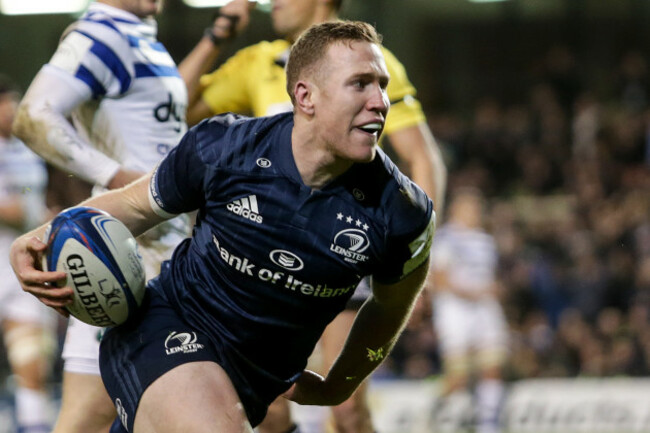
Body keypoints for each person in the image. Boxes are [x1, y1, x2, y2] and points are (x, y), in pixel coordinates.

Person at [10, 20, 435, 433]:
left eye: (381, 85)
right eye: (361, 84)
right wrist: (40, 237)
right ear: (305, 97)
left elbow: (387, 308)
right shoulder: (225, 148)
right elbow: (133, 206)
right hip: (164, 329)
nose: (381, 101)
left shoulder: (402, 213)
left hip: (251, 385)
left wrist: (340, 385)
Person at [186, 1, 447, 431]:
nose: (274, 2)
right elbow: (177, 106)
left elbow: (424, 160)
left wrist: (417, 263)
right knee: (267, 410)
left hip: (344, 250)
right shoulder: (258, 61)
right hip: (271, 258)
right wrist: (218, 34)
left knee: (347, 409)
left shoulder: (369, 64)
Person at [12, 1, 233, 432]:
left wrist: (215, 38)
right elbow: (33, 116)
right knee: (92, 419)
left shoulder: (140, 37)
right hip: (124, 254)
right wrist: (117, 176)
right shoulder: (99, 34)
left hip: (167, 248)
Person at [0, 75, 56, 433]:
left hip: (17, 264)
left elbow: (34, 203)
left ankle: (32, 424)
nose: (13, 109)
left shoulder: (25, 149)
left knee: (32, 357)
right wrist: (39, 218)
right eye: (6, 102)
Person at [427, 188, 507, 433]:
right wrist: (475, 292)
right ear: (456, 210)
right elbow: (440, 280)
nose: (475, 213)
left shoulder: (486, 240)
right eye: (470, 207)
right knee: (458, 378)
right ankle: (432, 412)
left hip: (484, 309)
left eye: (477, 208)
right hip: (455, 310)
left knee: (492, 368)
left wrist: (494, 291)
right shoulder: (445, 238)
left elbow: (489, 277)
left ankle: (487, 427)